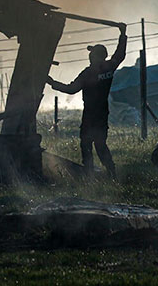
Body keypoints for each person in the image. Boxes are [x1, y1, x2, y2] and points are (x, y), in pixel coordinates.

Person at [47, 24, 128, 179]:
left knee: (86, 145)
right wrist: (123, 34)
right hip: (103, 112)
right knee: (100, 144)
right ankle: (111, 173)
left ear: (94, 57)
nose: (89, 57)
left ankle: (89, 175)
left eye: (92, 55)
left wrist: (52, 82)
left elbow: (71, 89)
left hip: (90, 113)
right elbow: (120, 54)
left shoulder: (88, 74)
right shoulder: (109, 68)